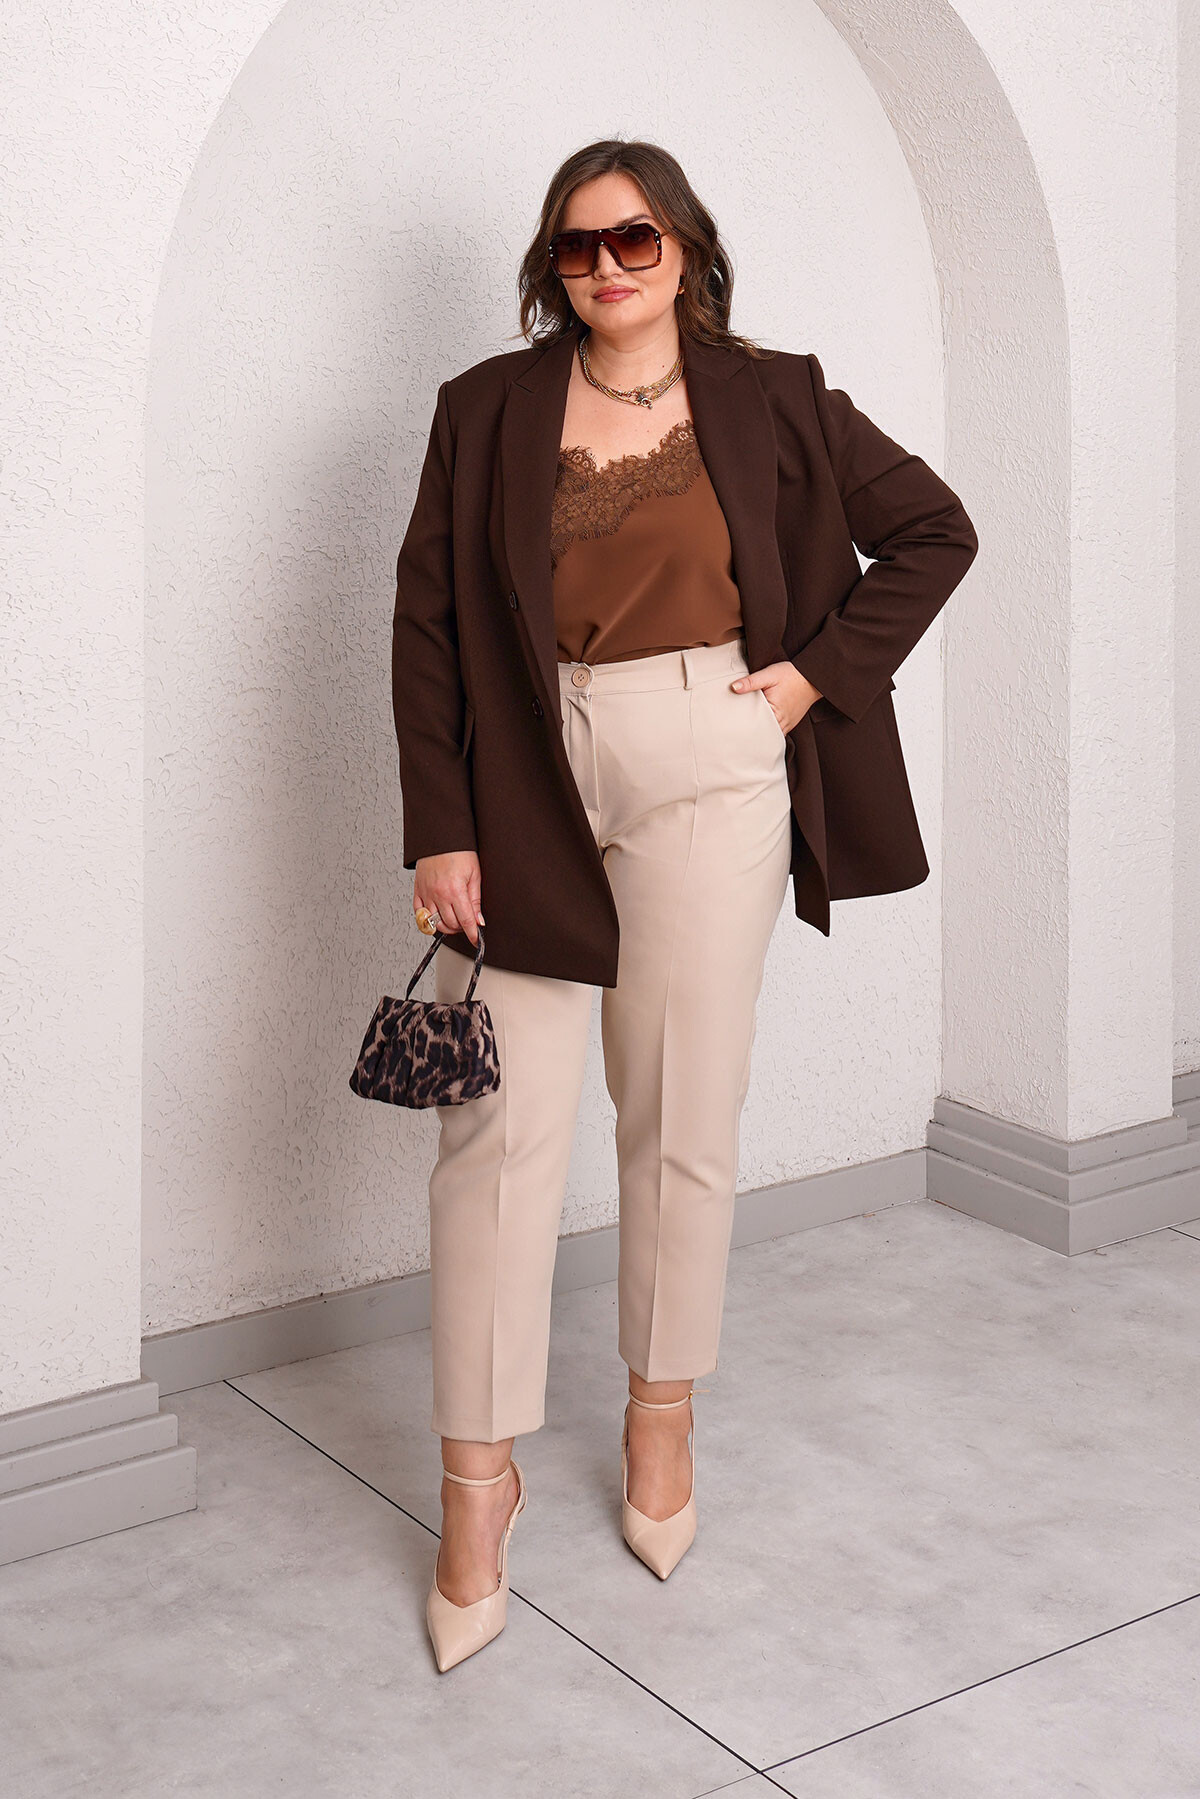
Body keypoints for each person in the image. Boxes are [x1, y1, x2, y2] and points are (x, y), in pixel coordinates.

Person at [391, 139, 979, 1672]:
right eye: (577, 246)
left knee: (681, 1111)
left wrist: (809, 682)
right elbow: (428, 624)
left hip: (708, 761)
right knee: (493, 1134)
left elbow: (936, 530)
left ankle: (661, 1414)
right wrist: (440, 828)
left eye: (633, 240)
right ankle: (477, 1485)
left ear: (686, 251)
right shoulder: (483, 408)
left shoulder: (777, 397)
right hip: (524, 772)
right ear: (552, 266)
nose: (605, 267)